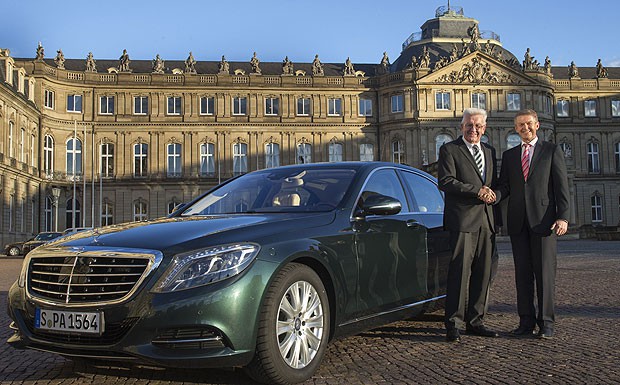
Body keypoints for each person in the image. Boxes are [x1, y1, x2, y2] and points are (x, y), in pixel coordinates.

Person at [495, 109, 569, 339]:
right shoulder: (509, 156)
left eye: (528, 124)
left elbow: (561, 186)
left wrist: (563, 216)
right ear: (515, 129)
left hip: (545, 221)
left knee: (545, 274)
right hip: (518, 222)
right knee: (523, 275)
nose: (524, 128)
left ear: (537, 125)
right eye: (519, 125)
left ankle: (546, 323)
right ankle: (525, 322)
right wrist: (493, 195)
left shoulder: (551, 150)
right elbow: (505, 186)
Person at [437, 107, 499, 343]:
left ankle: (476, 321)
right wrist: (478, 191)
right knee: (459, 273)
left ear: (484, 128)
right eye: (469, 125)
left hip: (487, 220)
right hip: (462, 220)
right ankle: (453, 323)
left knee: (483, 273)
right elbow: (445, 181)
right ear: (461, 127)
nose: (473, 129)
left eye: (478, 126)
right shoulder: (449, 149)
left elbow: (497, 183)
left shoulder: (490, 151)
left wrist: (495, 195)